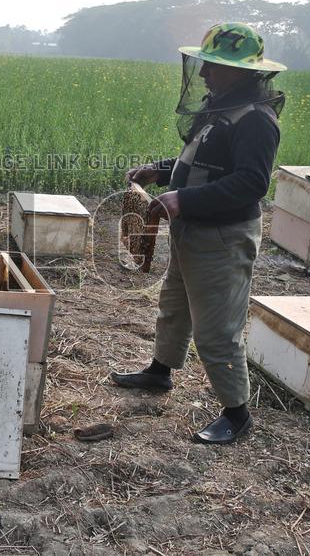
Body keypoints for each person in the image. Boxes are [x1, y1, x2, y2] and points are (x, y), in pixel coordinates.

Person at [111, 23, 286, 445]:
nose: (204, 73)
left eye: (215, 66)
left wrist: (183, 201)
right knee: (174, 305)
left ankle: (236, 413)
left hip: (223, 237)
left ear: (244, 72)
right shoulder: (220, 108)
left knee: (217, 328)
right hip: (194, 230)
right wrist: (162, 170)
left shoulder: (257, 120)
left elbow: (250, 183)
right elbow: (201, 162)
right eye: (203, 63)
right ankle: (160, 371)